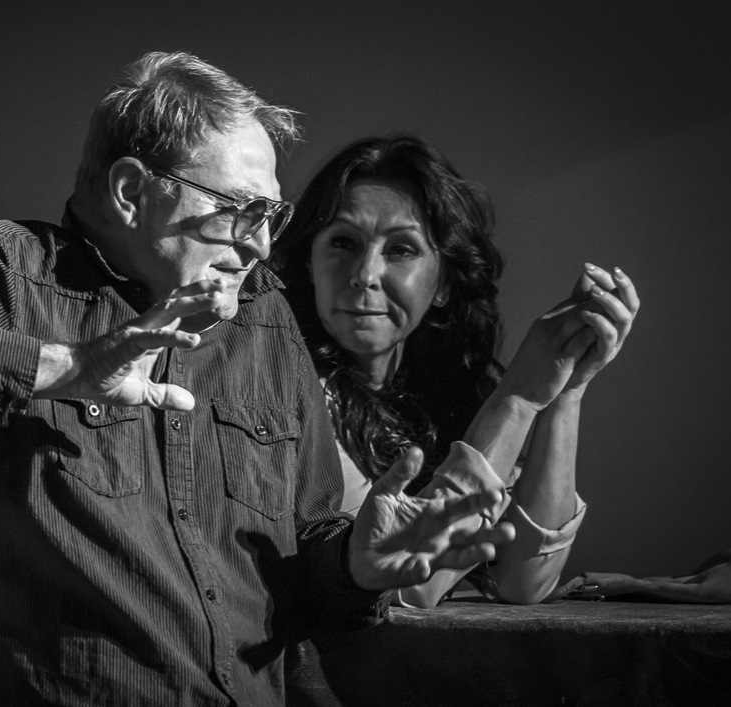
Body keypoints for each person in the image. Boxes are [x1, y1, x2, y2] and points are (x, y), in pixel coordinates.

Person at [0, 55, 515, 704]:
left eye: (273, 216)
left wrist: (356, 564)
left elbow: (306, 566)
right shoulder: (6, 273)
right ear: (130, 191)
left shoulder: (263, 320)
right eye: (241, 210)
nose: (262, 245)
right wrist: (63, 367)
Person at [272, 134, 640, 607]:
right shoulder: (283, 386)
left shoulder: (440, 394)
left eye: (401, 249)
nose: (364, 274)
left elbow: (523, 581)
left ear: (444, 281)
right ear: (309, 263)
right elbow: (405, 581)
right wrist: (516, 400)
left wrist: (566, 388)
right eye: (343, 242)